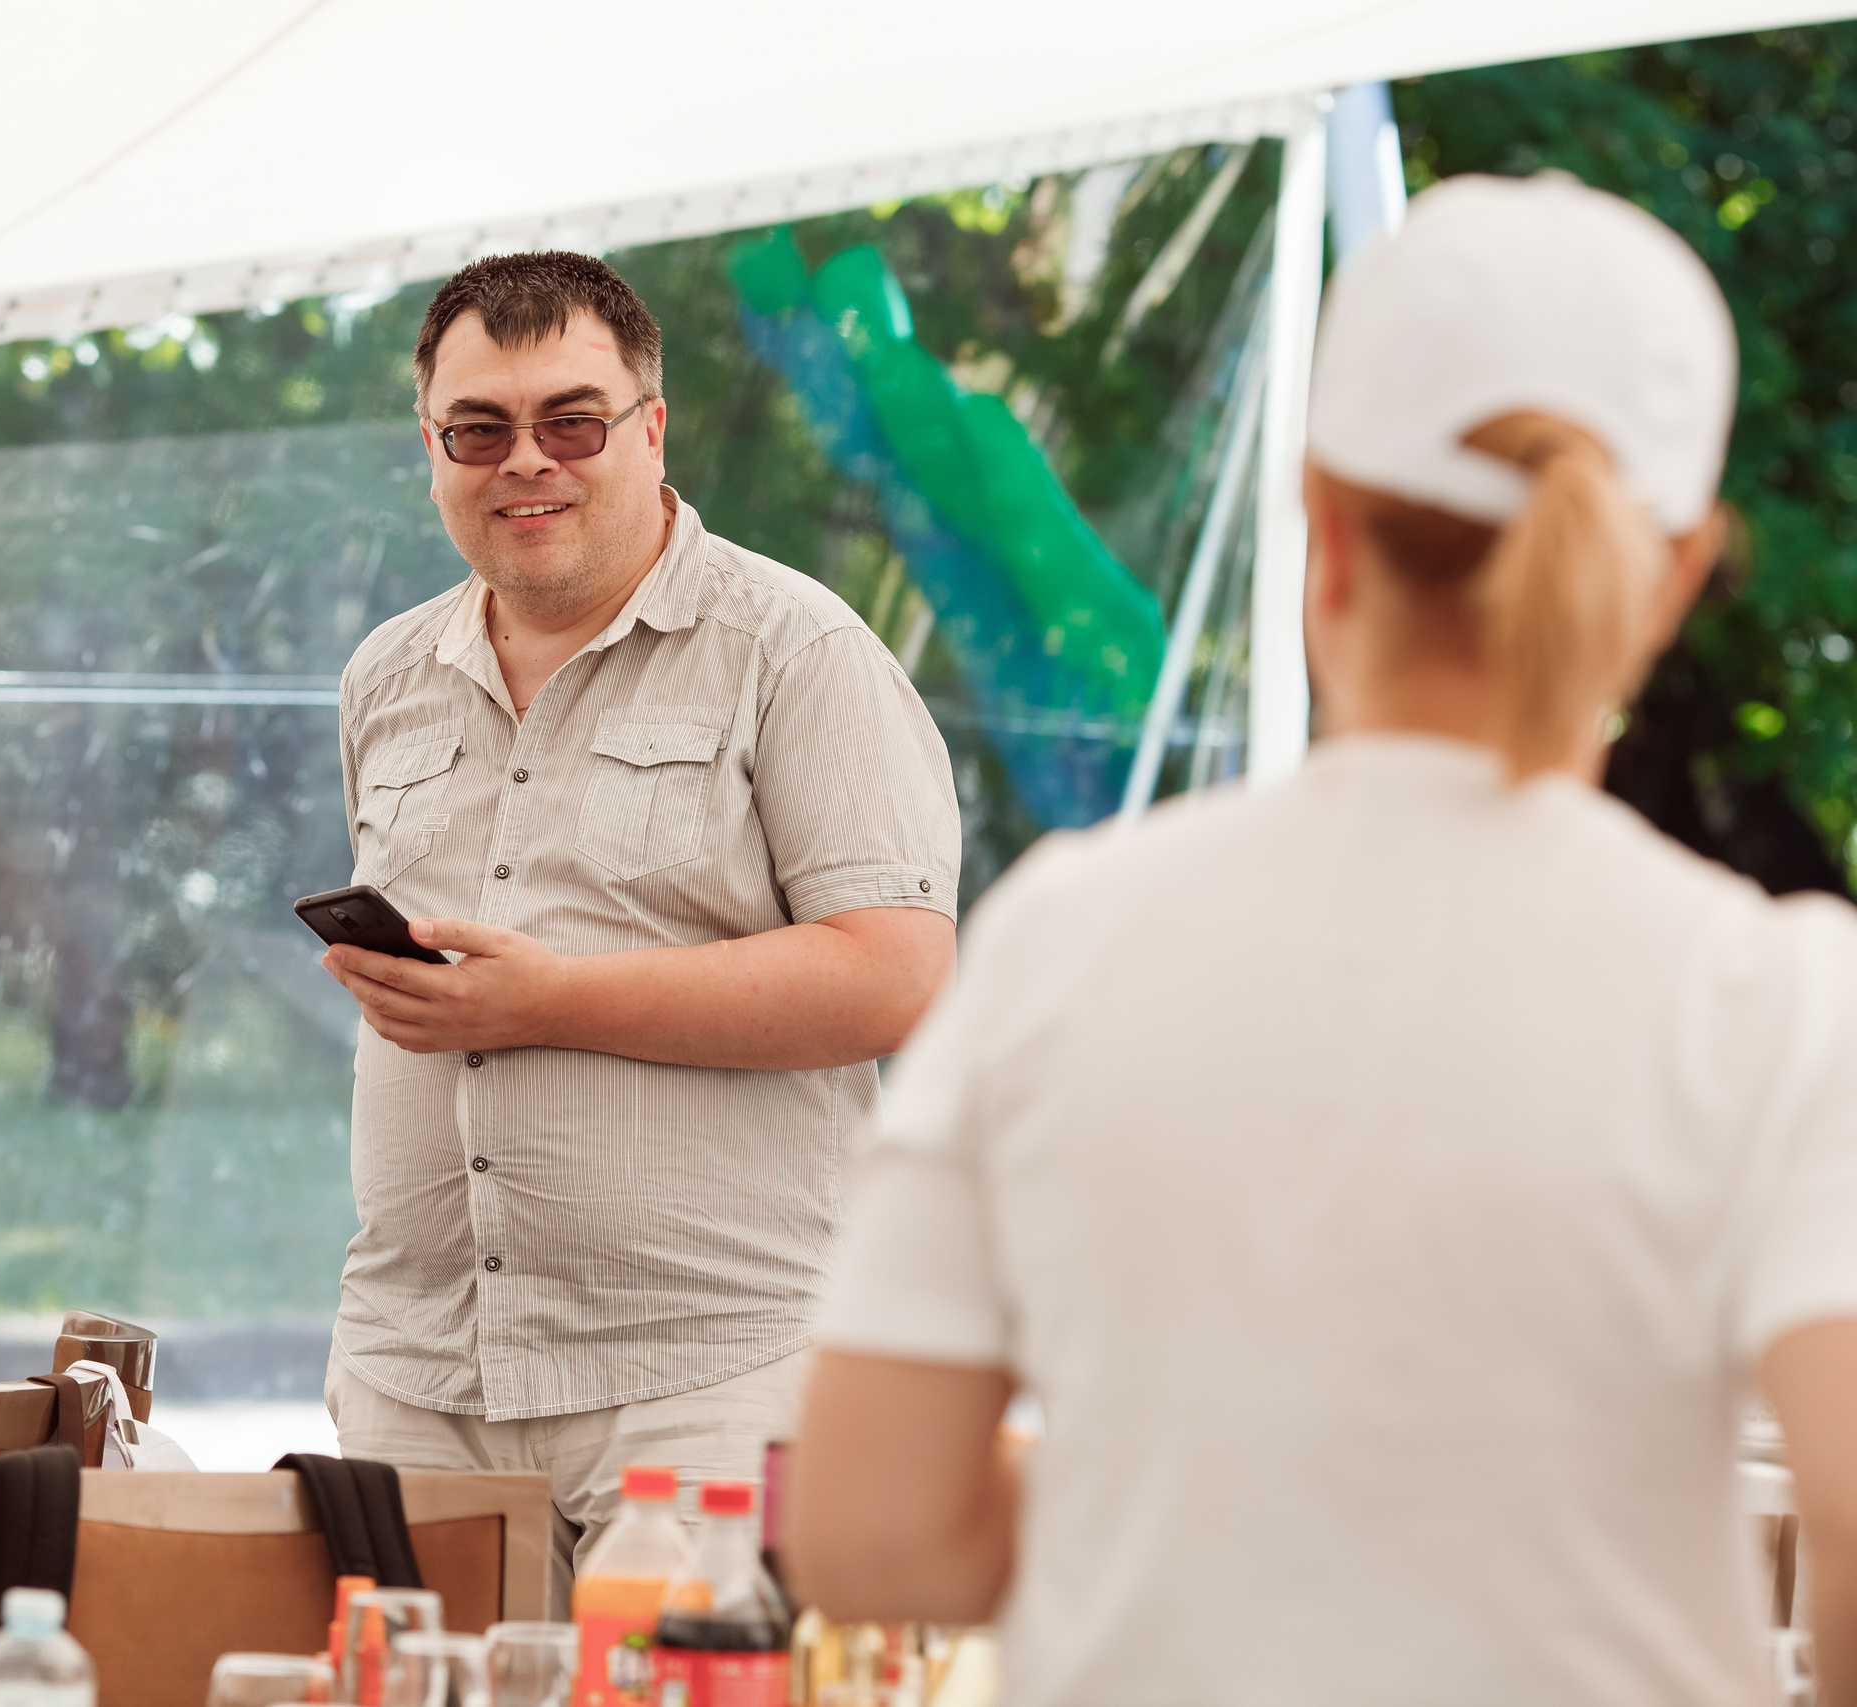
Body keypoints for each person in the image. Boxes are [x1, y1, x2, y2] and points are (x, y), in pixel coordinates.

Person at [791, 174, 1857, 1705]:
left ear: (1327, 533)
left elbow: (871, 1533)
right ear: (1669, 579)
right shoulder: (1777, 998)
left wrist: (1194, 1520)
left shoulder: (1064, 945)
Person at [318, 252, 961, 1595]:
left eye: (572, 421)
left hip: (709, 1377)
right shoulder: (386, 673)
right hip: (418, 1375)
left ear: (651, 430)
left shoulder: (797, 649)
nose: (526, 461)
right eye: (478, 429)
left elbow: (898, 975)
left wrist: (550, 1002)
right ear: (432, 449)